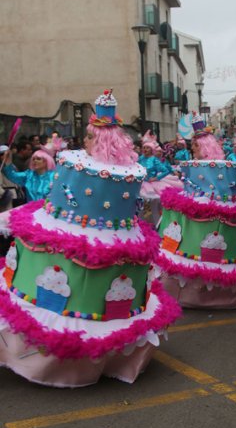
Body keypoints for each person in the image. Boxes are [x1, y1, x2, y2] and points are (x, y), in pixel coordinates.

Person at [0, 90, 180, 387]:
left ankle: (65, 364)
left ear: (98, 138)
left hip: (111, 228)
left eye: (88, 136)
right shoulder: (77, 161)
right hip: (66, 220)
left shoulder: (123, 170)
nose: (83, 141)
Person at [154, 113, 236, 309]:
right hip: (197, 202)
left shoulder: (220, 166)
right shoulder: (194, 165)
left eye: (195, 147)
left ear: (204, 148)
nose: (192, 149)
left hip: (217, 204)